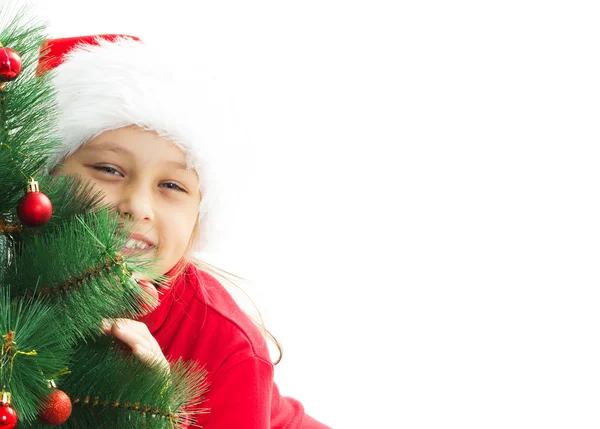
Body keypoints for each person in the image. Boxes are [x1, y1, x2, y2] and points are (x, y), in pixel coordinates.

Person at [38, 34, 330, 429]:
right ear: (42, 177)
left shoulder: (229, 347)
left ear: (198, 220)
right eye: (109, 170)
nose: (137, 206)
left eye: (172, 186)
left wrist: (155, 407)